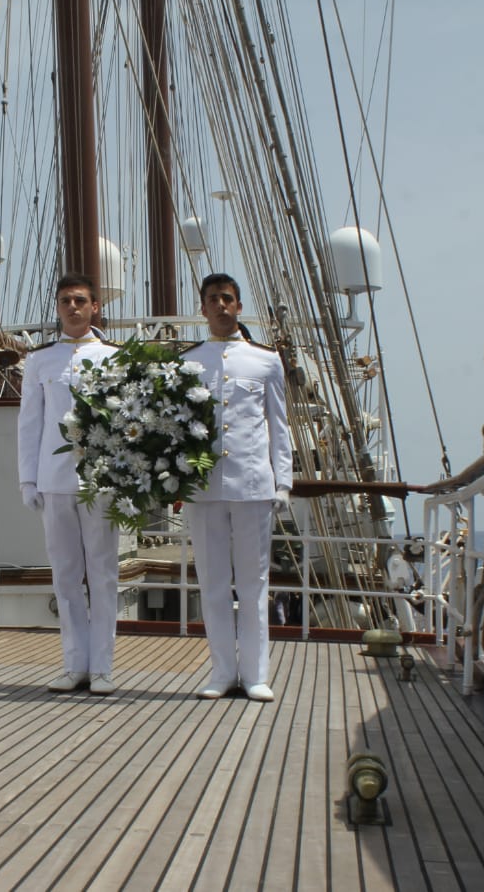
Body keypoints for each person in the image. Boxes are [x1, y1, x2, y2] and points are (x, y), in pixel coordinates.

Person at [180, 273, 292, 702]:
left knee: (253, 584)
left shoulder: (265, 361)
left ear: (238, 306)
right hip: (204, 487)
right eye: (213, 299)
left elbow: (278, 427)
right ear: (203, 308)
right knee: (211, 582)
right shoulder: (189, 362)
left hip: (252, 483)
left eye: (228, 299)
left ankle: (256, 674)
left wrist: (283, 482)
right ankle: (223, 672)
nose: (221, 306)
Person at [17, 274, 121, 696]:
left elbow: (124, 420)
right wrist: (27, 477)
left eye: (80, 300)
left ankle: (103, 667)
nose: (72, 308)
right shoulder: (41, 361)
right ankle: (74, 663)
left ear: (95, 306)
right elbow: (30, 423)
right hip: (55, 479)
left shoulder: (114, 356)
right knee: (65, 575)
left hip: (101, 481)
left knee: (103, 575)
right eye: (65, 301)